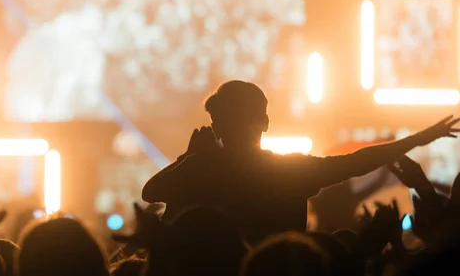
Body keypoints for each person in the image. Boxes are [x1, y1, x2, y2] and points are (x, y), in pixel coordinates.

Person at [142, 80, 460, 243]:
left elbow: (151, 191)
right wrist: (419, 138)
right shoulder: (289, 171)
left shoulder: (200, 169)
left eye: (216, 120)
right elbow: (356, 162)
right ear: (264, 121)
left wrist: (190, 155)